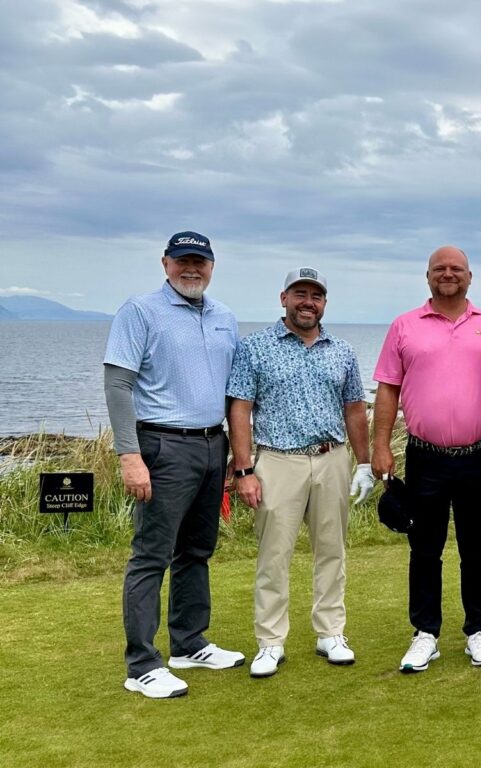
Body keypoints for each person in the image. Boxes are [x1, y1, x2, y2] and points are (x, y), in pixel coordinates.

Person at [104, 230, 244, 699]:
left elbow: (230, 392)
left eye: (199, 261)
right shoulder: (140, 311)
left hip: (211, 445)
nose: (192, 269)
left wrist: (234, 455)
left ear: (211, 265)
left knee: (196, 551)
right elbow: (118, 385)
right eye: (182, 260)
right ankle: (142, 664)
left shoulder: (225, 317)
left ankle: (188, 643)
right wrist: (129, 455)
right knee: (151, 555)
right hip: (161, 447)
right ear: (165, 263)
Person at [227, 268, 373, 679]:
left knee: (332, 549)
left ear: (324, 303)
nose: (308, 302)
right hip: (277, 459)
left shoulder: (341, 350)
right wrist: (244, 470)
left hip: (332, 459)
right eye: (300, 294)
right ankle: (270, 642)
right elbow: (240, 408)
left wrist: (363, 464)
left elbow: (355, 410)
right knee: (274, 554)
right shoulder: (255, 347)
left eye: (316, 296)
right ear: (283, 298)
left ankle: (331, 633)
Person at [372, 246, 481, 673]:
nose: (448, 275)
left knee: (476, 548)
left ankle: (478, 629)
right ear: (427, 276)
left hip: (478, 455)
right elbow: (389, 389)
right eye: (440, 269)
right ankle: (425, 633)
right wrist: (379, 447)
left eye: (456, 269)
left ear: (470, 276)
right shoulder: (404, 326)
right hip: (424, 457)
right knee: (424, 548)